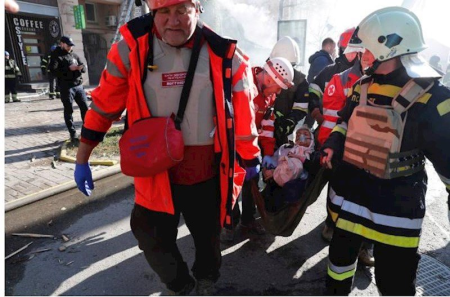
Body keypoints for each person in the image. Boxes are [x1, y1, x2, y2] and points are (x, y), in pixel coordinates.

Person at [73, 0, 261, 295]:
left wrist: (251, 158)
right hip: (154, 172)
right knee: (150, 236)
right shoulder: (130, 49)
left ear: (197, 10)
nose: (173, 20)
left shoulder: (225, 54)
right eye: (164, 11)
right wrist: (82, 158)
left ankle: (207, 279)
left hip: (205, 174)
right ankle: (181, 285)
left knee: (208, 239)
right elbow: (104, 105)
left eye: (182, 10)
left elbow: (243, 113)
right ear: (152, 12)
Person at [321, 7, 450, 295]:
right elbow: (344, 122)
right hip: (351, 199)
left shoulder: (433, 98)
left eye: (365, 48)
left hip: (397, 210)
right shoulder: (362, 86)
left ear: (387, 47)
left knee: (394, 284)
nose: (360, 54)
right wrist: (333, 144)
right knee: (338, 268)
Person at [221, 56, 294, 242]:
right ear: (269, 79)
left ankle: (247, 221)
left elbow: (267, 127)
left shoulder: (269, 96)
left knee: (250, 183)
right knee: (228, 185)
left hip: (249, 149)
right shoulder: (242, 84)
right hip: (229, 145)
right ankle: (229, 224)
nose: (278, 92)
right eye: (277, 87)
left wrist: (268, 154)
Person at [308, 27, 357, 130]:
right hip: (326, 132)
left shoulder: (362, 74)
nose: (351, 55)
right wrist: (315, 112)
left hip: (351, 134)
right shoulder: (329, 71)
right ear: (341, 50)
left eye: (355, 51)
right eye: (347, 50)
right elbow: (313, 89)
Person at [269, 36, 310, 147]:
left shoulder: (300, 81)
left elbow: (300, 108)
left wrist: (290, 122)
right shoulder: (266, 72)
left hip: (284, 133)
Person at [48, 36, 89, 142]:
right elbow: (53, 71)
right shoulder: (56, 55)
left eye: (71, 45)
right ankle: (73, 133)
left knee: (85, 108)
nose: (70, 47)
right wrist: (68, 69)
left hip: (78, 86)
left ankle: (86, 131)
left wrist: (81, 67)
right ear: (62, 44)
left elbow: (83, 67)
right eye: (68, 45)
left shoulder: (74, 54)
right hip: (66, 87)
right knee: (69, 110)